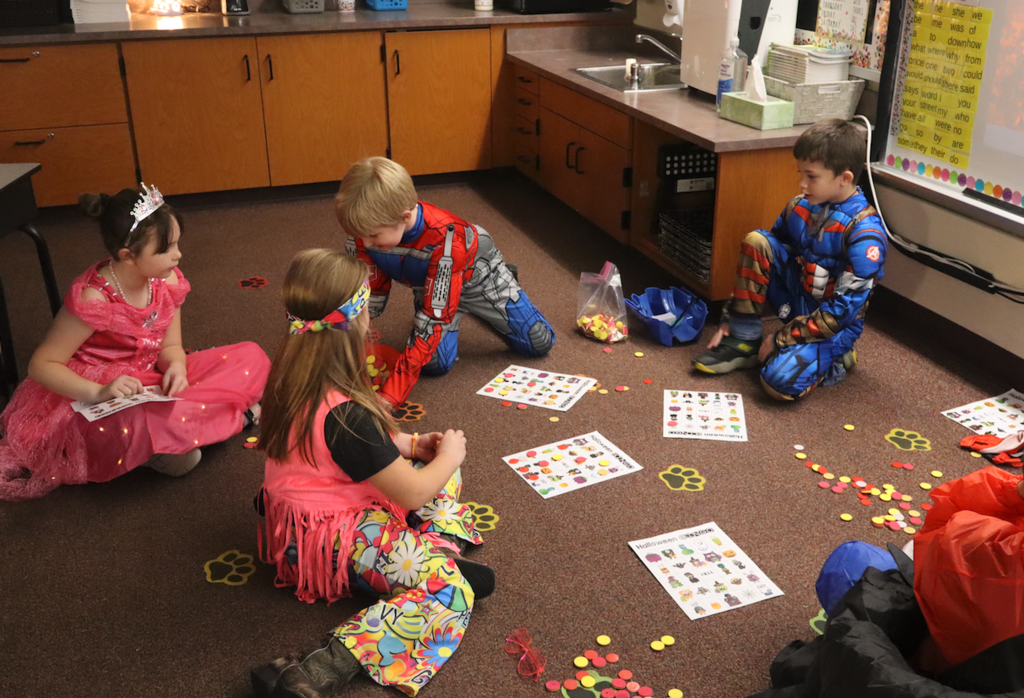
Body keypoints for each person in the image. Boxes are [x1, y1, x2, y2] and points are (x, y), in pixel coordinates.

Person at [250, 249, 493, 698]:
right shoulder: (347, 418)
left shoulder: (291, 374)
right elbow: (416, 492)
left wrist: (411, 445)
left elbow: (338, 451)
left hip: (296, 524)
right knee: (450, 590)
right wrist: (451, 454)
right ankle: (322, 668)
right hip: (326, 544)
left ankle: (427, 558)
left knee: (432, 468)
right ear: (356, 320)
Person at [0, 185, 270, 501]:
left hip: (149, 379)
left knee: (252, 356)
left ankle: (183, 434)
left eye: (177, 243)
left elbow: (171, 346)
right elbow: (42, 364)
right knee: (140, 426)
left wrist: (177, 367)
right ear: (128, 255)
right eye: (166, 249)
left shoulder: (168, 280)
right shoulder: (94, 298)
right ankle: (209, 425)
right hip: (102, 393)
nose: (178, 255)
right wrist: (99, 392)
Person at [335, 157, 554, 409]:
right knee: (434, 364)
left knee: (539, 341)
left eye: (373, 235)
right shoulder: (364, 232)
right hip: (430, 284)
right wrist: (346, 342)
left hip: (479, 281)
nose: (366, 242)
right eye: (360, 235)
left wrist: (391, 396)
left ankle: (499, 288)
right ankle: (451, 310)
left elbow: (433, 319)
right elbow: (367, 292)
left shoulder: (447, 242)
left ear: (405, 216)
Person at [692, 118, 887, 400]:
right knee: (757, 241)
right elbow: (765, 258)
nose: (802, 183)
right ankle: (743, 340)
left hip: (834, 326)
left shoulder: (865, 234)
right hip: (798, 299)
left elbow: (843, 312)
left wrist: (780, 338)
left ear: (844, 178)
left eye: (812, 176)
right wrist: (729, 318)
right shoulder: (799, 207)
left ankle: (837, 359)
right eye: (801, 174)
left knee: (776, 385)